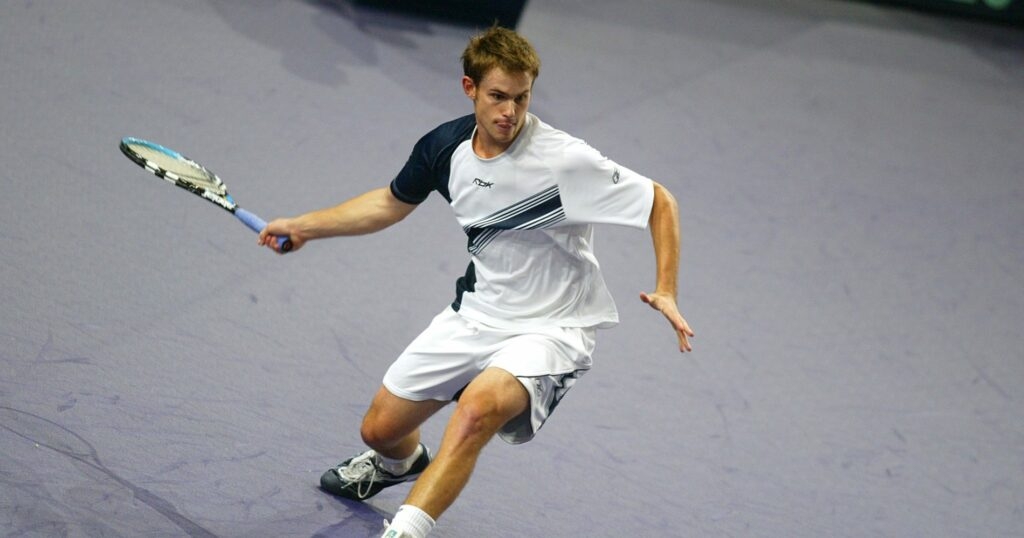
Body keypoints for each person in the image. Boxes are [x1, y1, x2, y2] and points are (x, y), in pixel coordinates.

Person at [257, 25, 694, 538]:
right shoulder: (445, 149)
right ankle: (399, 464)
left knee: (474, 411)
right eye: (497, 97)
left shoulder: (565, 161)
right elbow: (389, 204)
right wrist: (304, 226)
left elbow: (659, 200)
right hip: (479, 313)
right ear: (470, 89)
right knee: (379, 430)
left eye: (522, 97)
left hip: (553, 328)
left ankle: (405, 531)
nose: (510, 111)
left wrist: (666, 287)